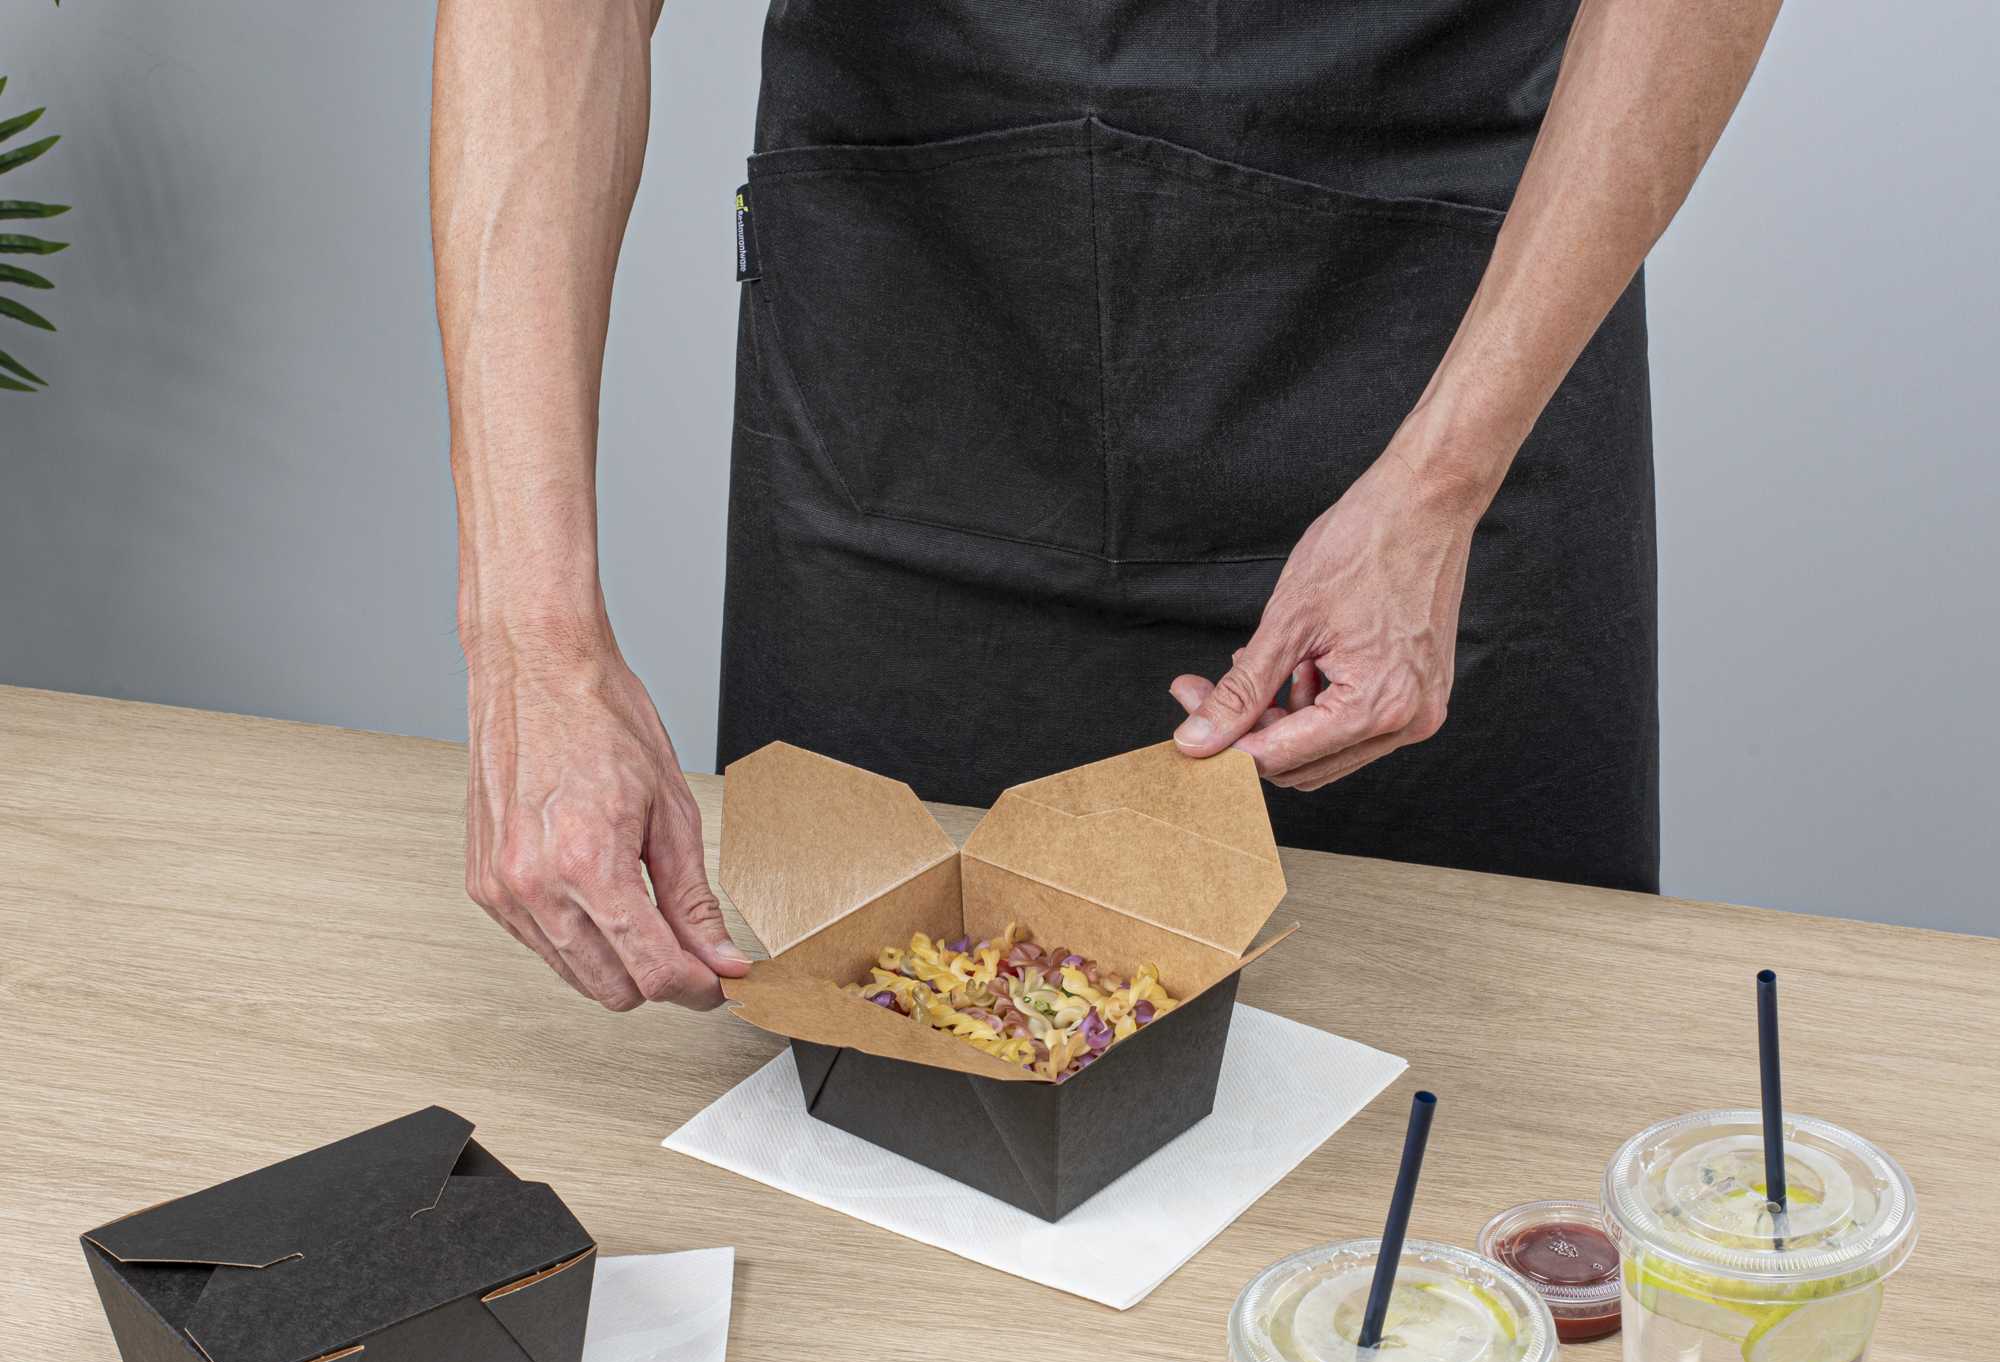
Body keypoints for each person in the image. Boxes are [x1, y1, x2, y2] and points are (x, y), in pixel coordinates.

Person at [432, 0, 1782, 1013]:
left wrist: (1442, 479)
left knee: (1470, 1151)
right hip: (915, 334)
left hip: (1448, 346)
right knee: (873, 1123)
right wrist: (529, 640)